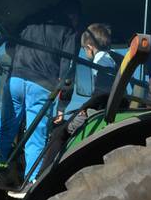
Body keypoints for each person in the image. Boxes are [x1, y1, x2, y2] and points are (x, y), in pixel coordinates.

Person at [0, 0, 81, 181]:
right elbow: (67, 70)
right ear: (73, 14)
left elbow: (9, 47)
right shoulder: (68, 30)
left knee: (5, 129)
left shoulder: (30, 21)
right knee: (35, 135)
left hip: (15, 80)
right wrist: (62, 105)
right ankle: (31, 182)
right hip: (41, 85)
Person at [38, 22, 116, 172]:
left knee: (58, 132)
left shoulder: (101, 61)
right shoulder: (110, 58)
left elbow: (102, 91)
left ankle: (42, 176)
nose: (84, 53)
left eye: (84, 49)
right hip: (102, 108)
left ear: (89, 47)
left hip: (100, 111)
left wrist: (85, 109)